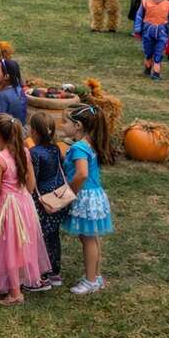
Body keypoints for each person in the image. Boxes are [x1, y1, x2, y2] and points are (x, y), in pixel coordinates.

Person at [0, 114, 51, 306]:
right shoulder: (24, 152)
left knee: (7, 246)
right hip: (24, 202)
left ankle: (16, 293)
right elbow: (31, 184)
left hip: (8, 208)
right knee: (16, 245)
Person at [63, 103, 114, 294]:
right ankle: (96, 276)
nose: (62, 126)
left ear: (77, 126)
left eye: (65, 122)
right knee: (92, 238)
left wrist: (69, 192)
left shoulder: (78, 147)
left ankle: (91, 281)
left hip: (85, 196)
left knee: (88, 239)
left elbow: (82, 174)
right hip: (94, 194)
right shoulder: (89, 143)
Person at [28, 113, 69, 288]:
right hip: (58, 196)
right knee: (53, 236)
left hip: (43, 200)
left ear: (34, 132)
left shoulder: (34, 153)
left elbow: (33, 178)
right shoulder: (55, 148)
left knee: (41, 236)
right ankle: (55, 273)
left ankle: (43, 273)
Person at [134, 0, 169, 81]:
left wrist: (137, 29)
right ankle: (151, 70)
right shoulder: (150, 3)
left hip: (151, 31)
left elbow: (139, 16)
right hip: (158, 31)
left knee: (152, 51)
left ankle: (153, 71)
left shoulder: (163, 4)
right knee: (154, 52)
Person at [0, 57, 27, 123]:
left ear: (6, 76)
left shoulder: (1, 96)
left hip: (8, 131)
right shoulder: (20, 89)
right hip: (21, 129)